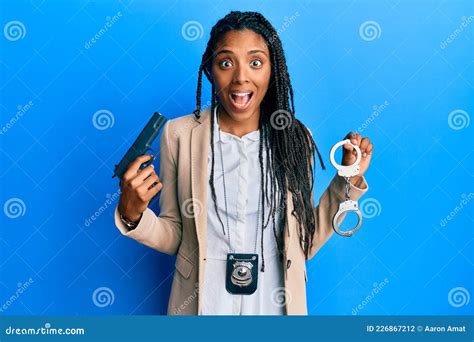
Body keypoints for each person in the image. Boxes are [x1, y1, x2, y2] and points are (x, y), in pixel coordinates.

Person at [114, 11, 373, 315]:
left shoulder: (295, 138)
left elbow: (304, 242)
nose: (240, 77)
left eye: (255, 62)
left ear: (271, 70)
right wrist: (132, 214)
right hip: (202, 304)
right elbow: (176, 235)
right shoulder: (179, 135)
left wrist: (348, 180)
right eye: (226, 63)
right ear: (210, 71)